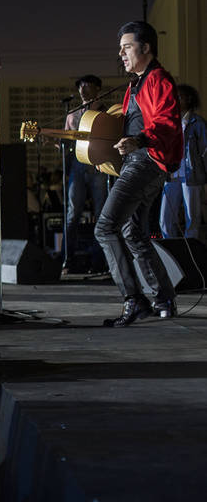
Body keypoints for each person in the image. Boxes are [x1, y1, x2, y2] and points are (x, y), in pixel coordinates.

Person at [95, 21, 182, 326]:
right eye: (120, 48)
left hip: (146, 161)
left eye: (127, 47)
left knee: (105, 227)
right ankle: (164, 299)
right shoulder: (136, 83)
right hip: (139, 161)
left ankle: (134, 299)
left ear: (146, 48)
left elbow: (167, 122)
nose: (121, 53)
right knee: (133, 232)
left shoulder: (159, 80)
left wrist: (139, 140)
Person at [61, 75, 109, 269]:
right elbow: (68, 142)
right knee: (73, 214)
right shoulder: (72, 113)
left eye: (87, 85)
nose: (83, 88)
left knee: (101, 214)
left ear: (98, 88)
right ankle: (67, 259)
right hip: (78, 165)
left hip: (99, 166)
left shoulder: (105, 112)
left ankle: (99, 261)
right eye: (80, 85)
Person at [160, 85, 207, 239]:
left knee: (192, 219)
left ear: (188, 99)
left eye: (179, 97)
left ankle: (192, 255)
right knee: (165, 219)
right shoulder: (168, 122)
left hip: (191, 176)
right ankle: (172, 254)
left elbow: (205, 151)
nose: (175, 100)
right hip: (171, 175)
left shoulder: (197, 122)